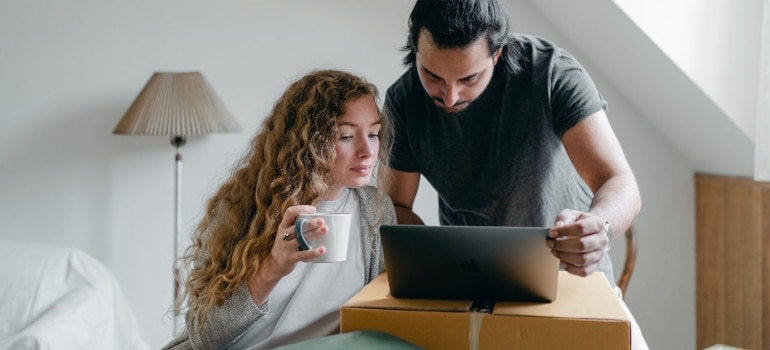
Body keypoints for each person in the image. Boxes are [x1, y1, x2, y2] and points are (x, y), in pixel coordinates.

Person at [384, 0, 647, 348]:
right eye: (432, 76)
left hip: (573, 282)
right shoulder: (403, 100)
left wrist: (602, 225)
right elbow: (395, 205)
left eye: (469, 78)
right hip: (474, 295)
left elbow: (620, 182)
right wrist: (432, 261)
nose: (449, 97)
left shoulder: (551, 72)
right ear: (415, 49)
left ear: (497, 54)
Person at [162, 69, 396, 350]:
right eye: (346, 136)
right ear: (310, 141)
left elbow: (379, 313)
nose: (368, 151)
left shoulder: (376, 209)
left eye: (373, 133)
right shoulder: (244, 207)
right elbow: (205, 338)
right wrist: (273, 267)